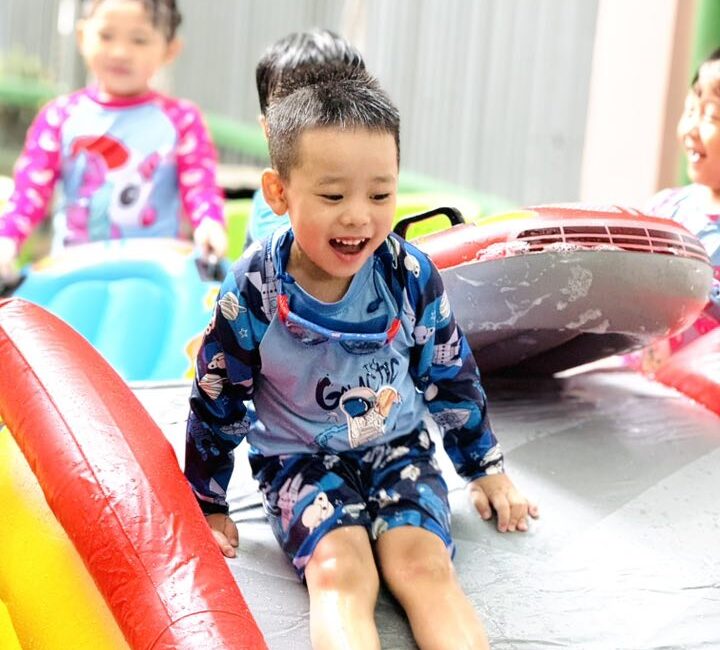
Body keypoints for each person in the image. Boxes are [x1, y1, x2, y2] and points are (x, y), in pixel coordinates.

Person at [185, 68, 538, 650]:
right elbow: (218, 395)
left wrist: (484, 467)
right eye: (333, 196)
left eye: (380, 195)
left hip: (397, 448)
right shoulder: (253, 289)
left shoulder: (408, 276)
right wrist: (208, 499)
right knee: (341, 573)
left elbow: (450, 373)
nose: (358, 216)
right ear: (278, 193)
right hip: (298, 460)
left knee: (424, 568)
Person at [0, 0, 227, 282]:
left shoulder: (182, 120)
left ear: (170, 49)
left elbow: (201, 189)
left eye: (139, 40)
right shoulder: (59, 116)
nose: (120, 52)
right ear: (82, 36)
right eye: (106, 36)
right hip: (72, 276)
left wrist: (209, 224)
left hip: (154, 277)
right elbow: (29, 192)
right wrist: (6, 240)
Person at [244, 28, 365, 250]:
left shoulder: (368, 189)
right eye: (297, 112)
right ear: (268, 129)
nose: (323, 124)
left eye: (337, 107)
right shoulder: (275, 203)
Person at [641, 47, 720, 367]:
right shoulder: (665, 208)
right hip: (634, 384)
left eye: (712, 115)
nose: (690, 129)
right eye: (690, 109)